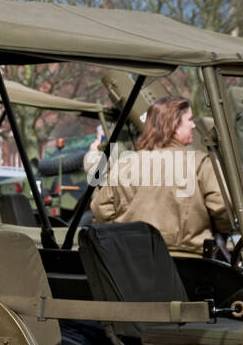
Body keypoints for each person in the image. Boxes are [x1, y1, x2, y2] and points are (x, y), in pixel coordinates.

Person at [86, 95, 233, 256]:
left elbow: (100, 209)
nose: (193, 125)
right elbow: (223, 208)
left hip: (133, 261)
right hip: (188, 262)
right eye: (189, 119)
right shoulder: (200, 163)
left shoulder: (125, 164)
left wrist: (124, 231)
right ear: (175, 125)